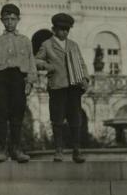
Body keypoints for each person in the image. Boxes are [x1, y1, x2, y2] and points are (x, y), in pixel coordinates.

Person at [35, 13, 89, 163]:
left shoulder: (73, 45)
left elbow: (82, 63)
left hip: (74, 86)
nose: (65, 32)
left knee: (75, 119)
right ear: (54, 29)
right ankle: (59, 150)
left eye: (67, 29)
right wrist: (47, 66)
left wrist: (85, 78)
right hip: (57, 86)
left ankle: (76, 150)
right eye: (61, 29)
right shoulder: (47, 45)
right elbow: (36, 60)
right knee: (57, 119)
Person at [0, 3, 37, 163]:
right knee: (0, 115)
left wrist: (29, 82)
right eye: (6, 19)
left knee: (17, 115)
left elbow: (31, 63)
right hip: (1, 80)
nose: (9, 22)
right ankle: (2, 150)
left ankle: (16, 149)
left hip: (18, 79)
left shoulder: (25, 41)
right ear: (1, 20)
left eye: (13, 19)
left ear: (18, 20)